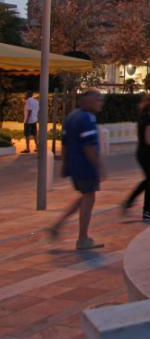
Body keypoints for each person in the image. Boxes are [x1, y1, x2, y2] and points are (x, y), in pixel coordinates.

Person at [48, 89, 105, 249]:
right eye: (97, 99)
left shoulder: (71, 116)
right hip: (85, 166)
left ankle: (58, 225)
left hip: (75, 165)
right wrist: (99, 166)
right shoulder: (87, 118)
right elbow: (88, 146)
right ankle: (82, 239)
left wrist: (66, 164)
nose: (100, 102)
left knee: (85, 197)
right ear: (86, 101)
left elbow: (65, 143)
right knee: (89, 198)